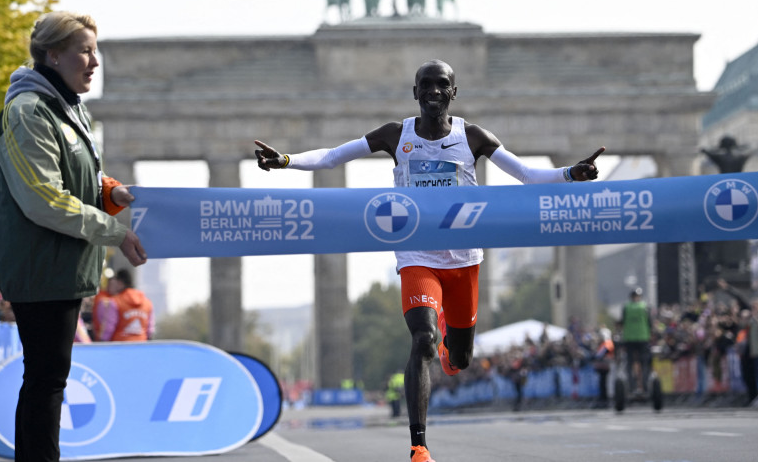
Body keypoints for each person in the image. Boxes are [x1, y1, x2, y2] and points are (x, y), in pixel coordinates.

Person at [254, 59, 602, 462]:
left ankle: (453, 352)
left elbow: (526, 174)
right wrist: (286, 161)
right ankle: (419, 445)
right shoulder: (394, 135)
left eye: (442, 85)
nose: (434, 91)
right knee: (423, 340)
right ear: (415, 92)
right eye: (426, 85)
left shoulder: (472, 137)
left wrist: (570, 174)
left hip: (463, 261)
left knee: (460, 357)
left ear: (453, 93)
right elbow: (333, 157)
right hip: (417, 255)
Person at [0, 11, 147, 462]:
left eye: (95, 50)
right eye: (84, 50)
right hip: (40, 267)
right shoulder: (27, 112)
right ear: (52, 55)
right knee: (45, 379)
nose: (95, 61)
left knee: (50, 378)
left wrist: (110, 189)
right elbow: (43, 198)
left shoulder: (68, 109)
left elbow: (81, 178)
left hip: (61, 266)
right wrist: (114, 231)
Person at [94, 269, 155, 342]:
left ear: (120, 283)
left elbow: (108, 328)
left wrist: (102, 343)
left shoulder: (114, 302)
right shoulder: (147, 302)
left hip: (119, 347)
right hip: (141, 345)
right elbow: (150, 330)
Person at [618, 287, 652, 397]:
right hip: (643, 338)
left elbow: (622, 322)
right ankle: (645, 387)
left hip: (629, 339)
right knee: (644, 364)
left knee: (630, 364)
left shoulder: (626, 307)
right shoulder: (645, 306)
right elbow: (649, 322)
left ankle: (632, 387)